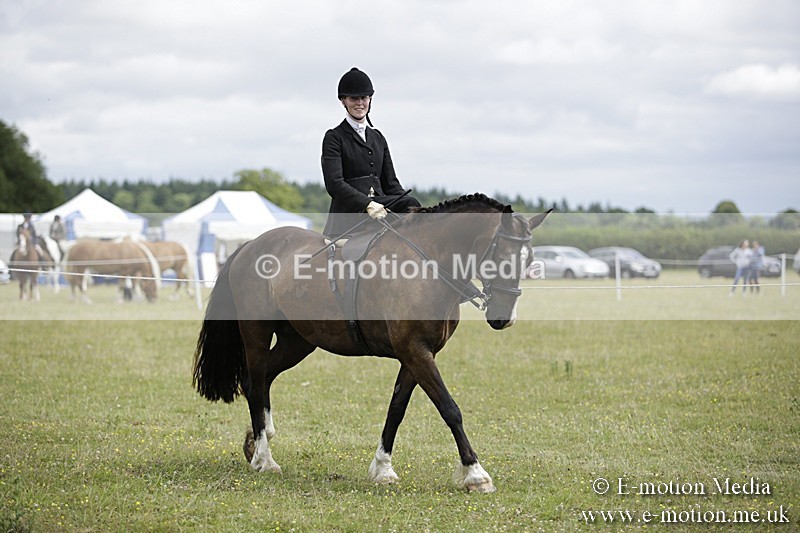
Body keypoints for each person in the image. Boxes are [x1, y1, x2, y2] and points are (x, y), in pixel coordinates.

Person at [321, 67, 421, 238]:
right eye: (354, 98)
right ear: (343, 101)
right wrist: (366, 204)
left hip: (380, 210)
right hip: (350, 213)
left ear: (370, 100)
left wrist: (414, 210)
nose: (359, 103)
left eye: (363, 98)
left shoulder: (378, 137)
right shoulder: (334, 137)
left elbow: (391, 184)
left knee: (412, 205)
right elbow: (334, 184)